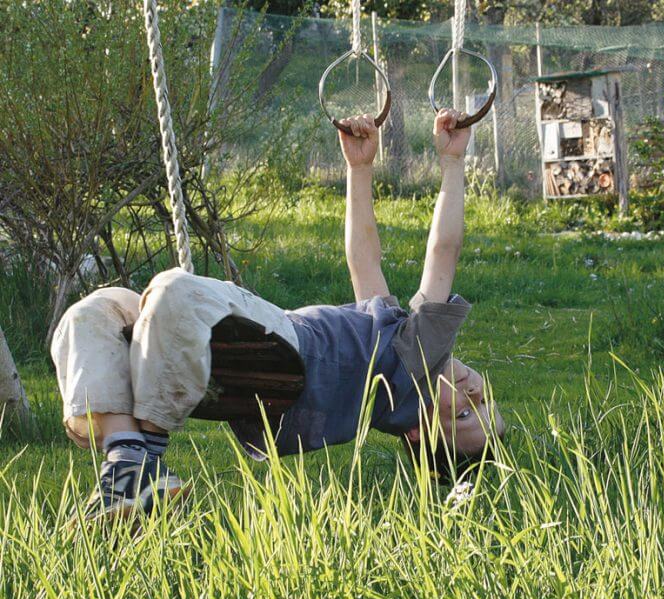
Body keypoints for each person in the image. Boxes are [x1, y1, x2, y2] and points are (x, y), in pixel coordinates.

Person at [50, 109, 504, 520]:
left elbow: (444, 251)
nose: (473, 394)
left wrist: (452, 164)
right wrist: (359, 169)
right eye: (486, 403)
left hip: (286, 354)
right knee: (93, 314)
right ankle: (125, 458)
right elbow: (364, 262)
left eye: (464, 416)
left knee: (175, 291)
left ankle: (143, 454)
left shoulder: (423, 357)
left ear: (416, 435)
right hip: (248, 393)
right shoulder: (395, 348)